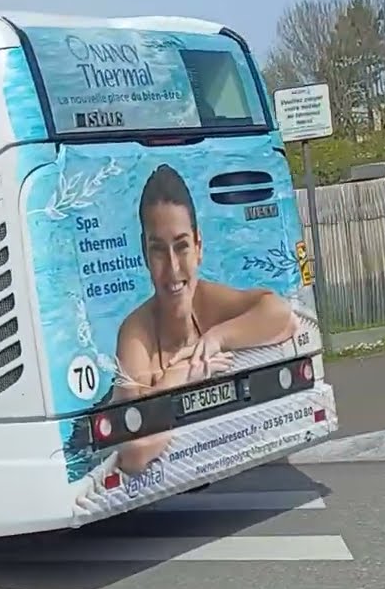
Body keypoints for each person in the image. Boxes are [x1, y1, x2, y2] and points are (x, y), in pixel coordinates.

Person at [108, 164, 297, 473]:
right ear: (144, 255)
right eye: (158, 250)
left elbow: (281, 315)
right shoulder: (136, 333)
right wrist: (177, 378)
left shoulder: (208, 303)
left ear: (199, 247)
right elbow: (133, 454)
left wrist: (217, 337)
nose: (172, 268)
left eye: (181, 246)